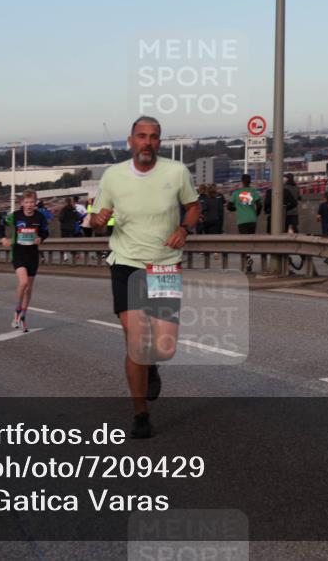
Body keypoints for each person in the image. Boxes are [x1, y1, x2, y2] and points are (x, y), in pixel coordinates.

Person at [91, 116, 200, 439]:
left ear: (159, 142)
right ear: (130, 141)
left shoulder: (176, 172)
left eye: (153, 137)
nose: (147, 142)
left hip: (164, 264)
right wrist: (98, 220)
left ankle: (153, 363)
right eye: (141, 136)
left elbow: (194, 206)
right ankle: (140, 414)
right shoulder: (113, 176)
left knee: (164, 347)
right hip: (125, 262)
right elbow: (97, 220)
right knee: (136, 339)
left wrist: (184, 229)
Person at [2, 191, 48, 328]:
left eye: (32, 202)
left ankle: (23, 316)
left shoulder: (40, 217)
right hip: (18, 253)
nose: (29, 205)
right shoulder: (15, 215)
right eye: (26, 202)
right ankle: (17, 310)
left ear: (35, 203)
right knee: (23, 283)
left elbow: (45, 231)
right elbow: (1, 224)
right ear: (22, 203)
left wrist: (41, 238)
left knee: (29, 287)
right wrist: (4, 238)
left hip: (32, 255)